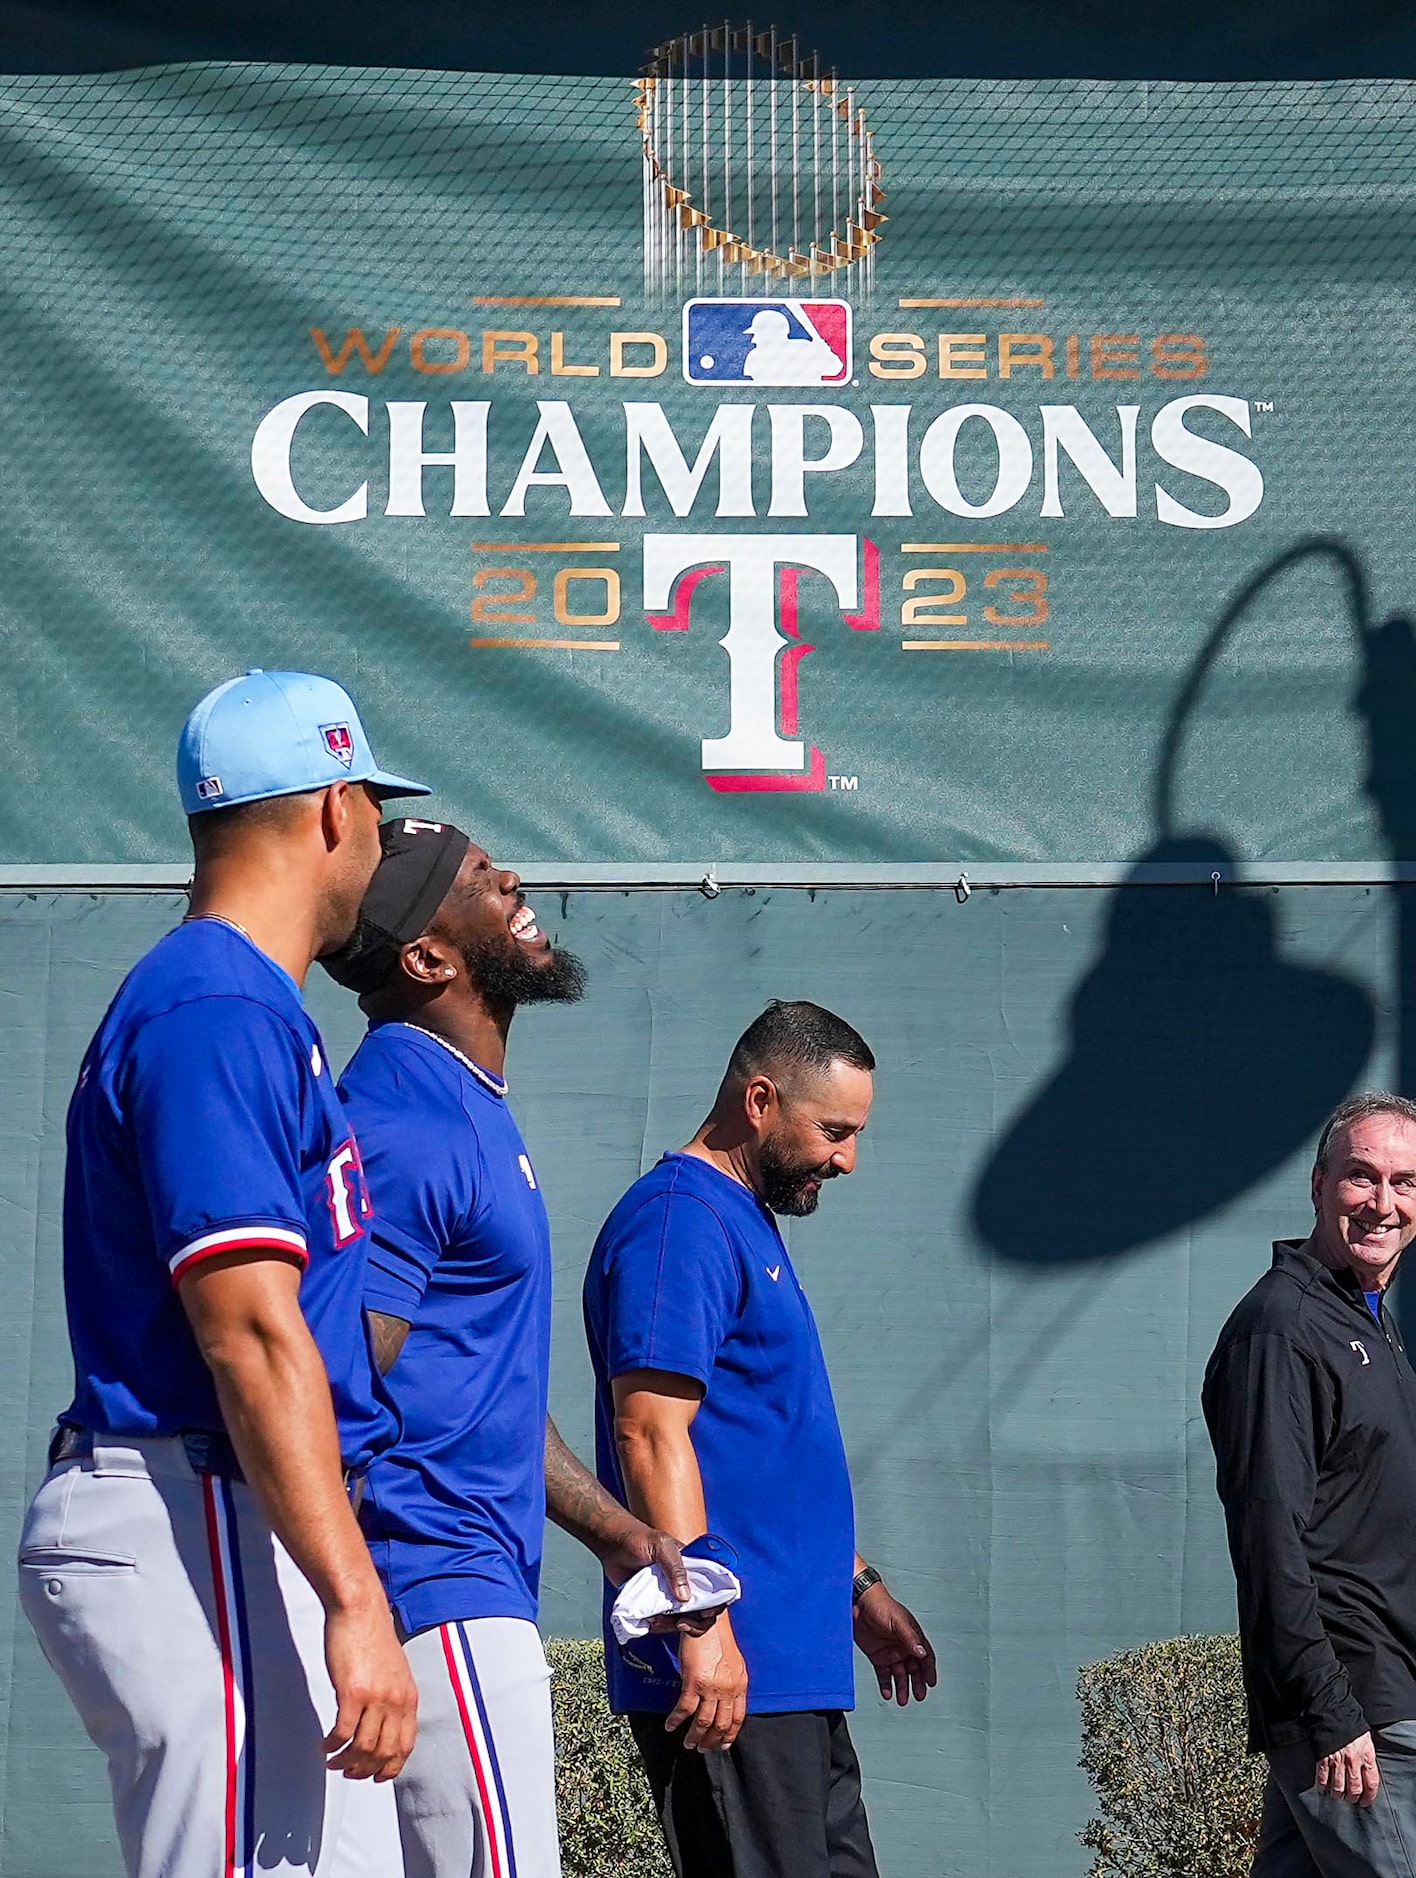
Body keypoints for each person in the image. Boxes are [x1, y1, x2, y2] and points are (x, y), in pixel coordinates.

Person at [17, 670, 427, 1878]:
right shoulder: (216, 1006)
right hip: (193, 1499)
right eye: (375, 814)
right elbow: (246, 1330)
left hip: (233, 1510)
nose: (377, 844)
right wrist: (355, 1597)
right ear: (332, 810)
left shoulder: (246, 1002)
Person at [324, 818, 703, 1878]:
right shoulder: (403, 1117)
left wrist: (616, 1531)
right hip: (430, 1594)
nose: (515, 882)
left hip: (459, 1589)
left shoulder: (458, 1099)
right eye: (482, 880)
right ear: (428, 958)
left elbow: (478, 1386)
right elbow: (337, 1380)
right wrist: (362, 1599)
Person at [582, 999, 937, 1878]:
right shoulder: (680, 1221)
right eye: (832, 1130)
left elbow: (759, 1446)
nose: (847, 1158)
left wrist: (855, 1586)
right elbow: (649, 1433)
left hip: (790, 1659)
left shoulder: (742, 1222)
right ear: (761, 1100)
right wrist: (699, 1625)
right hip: (731, 1667)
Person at [1203, 1090, 1416, 1878]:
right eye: (1362, 1177)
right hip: (1359, 1713)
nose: (1383, 1203)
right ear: (1319, 1184)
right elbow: (1269, 1542)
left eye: (1405, 1182)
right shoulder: (1281, 1329)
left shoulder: (1366, 1318)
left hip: (1371, 1702)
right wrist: (1331, 1712)